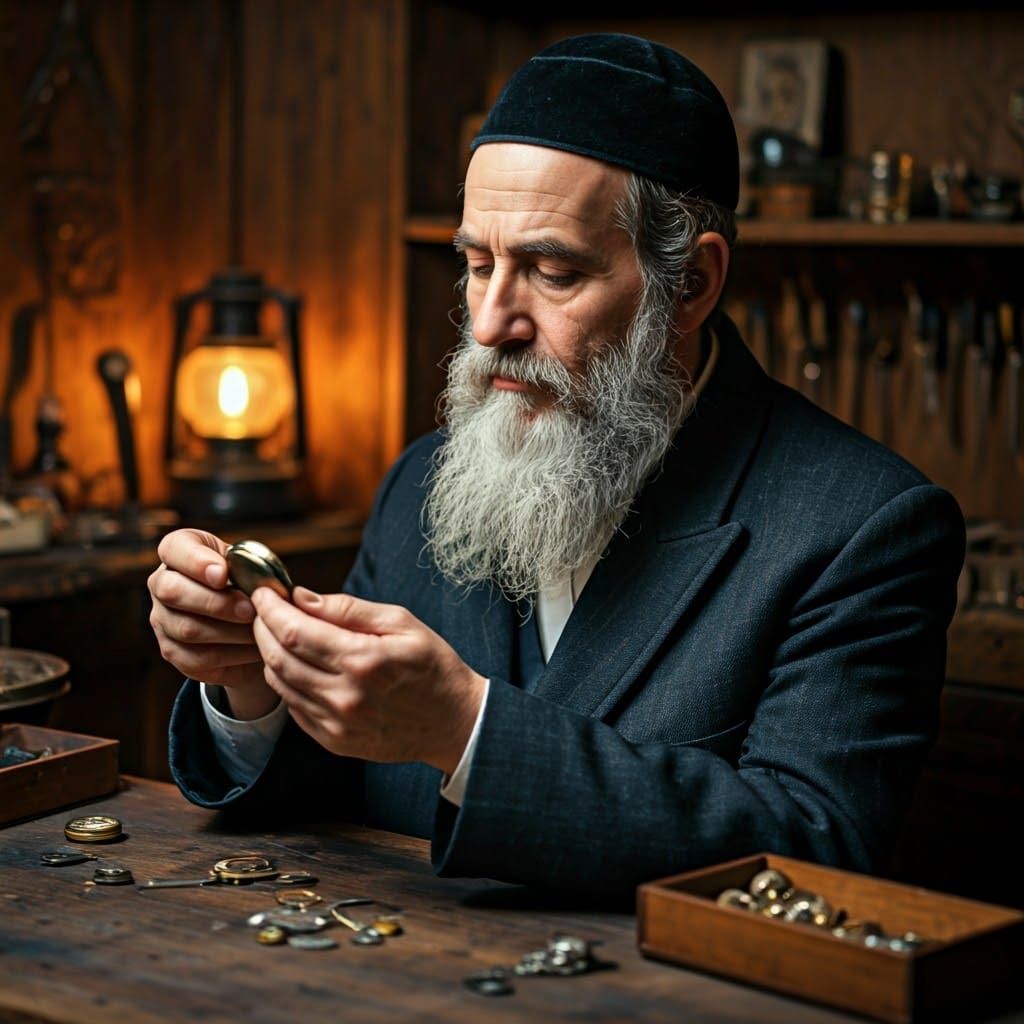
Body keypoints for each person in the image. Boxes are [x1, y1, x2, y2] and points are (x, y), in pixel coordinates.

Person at [149, 33, 965, 900]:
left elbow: (816, 853)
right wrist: (250, 691)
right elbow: (348, 791)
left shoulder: (864, 524)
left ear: (689, 284)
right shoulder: (423, 482)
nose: (493, 320)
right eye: (476, 265)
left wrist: (467, 730)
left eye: (551, 271)